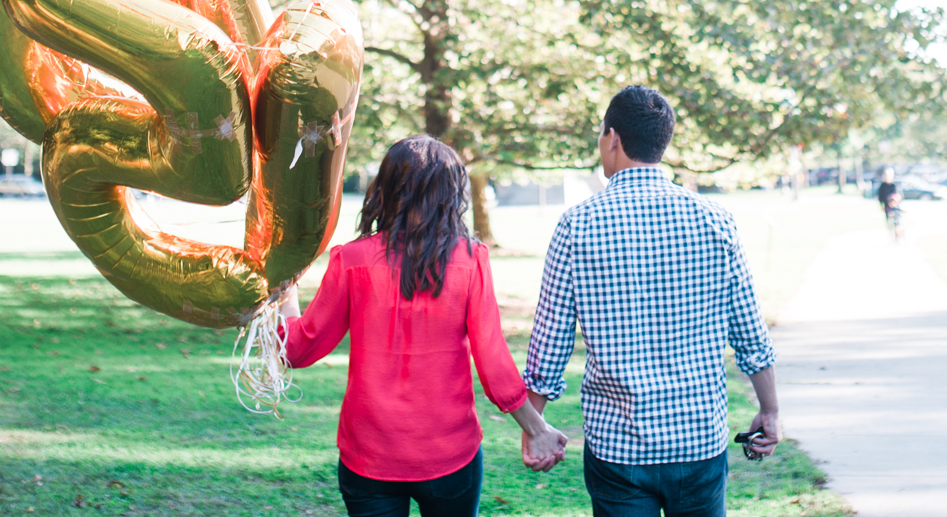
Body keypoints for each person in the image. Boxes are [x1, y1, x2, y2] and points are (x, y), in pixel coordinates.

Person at [522, 85, 779, 517]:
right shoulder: (715, 220)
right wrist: (769, 410)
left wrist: (535, 428)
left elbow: (549, 345)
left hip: (618, 448)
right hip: (698, 440)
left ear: (613, 138)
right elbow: (750, 332)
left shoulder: (577, 225)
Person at [283, 136, 570, 517]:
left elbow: (298, 349)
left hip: (369, 457)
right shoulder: (471, 259)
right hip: (450, 457)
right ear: (451, 194)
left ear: (384, 188)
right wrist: (536, 430)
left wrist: (284, 286)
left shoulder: (351, 260)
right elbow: (494, 362)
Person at [876, 167, 902, 241]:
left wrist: (894, 202)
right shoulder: (882, 186)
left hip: (895, 207)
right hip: (887, 207)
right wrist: (882, 205)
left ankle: (897, 237)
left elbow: (899, 196)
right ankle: (892, 237)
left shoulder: (894, 185)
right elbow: (880, 197)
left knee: (896, 222)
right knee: (889, 222)